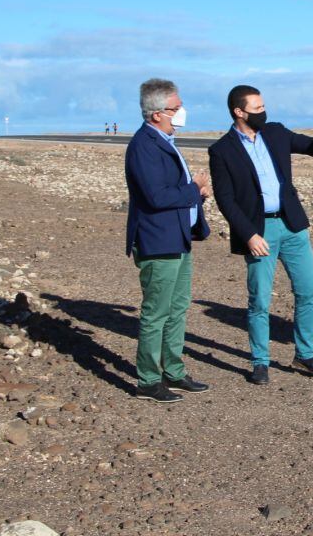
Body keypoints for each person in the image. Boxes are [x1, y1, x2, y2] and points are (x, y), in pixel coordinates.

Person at [208, 85, 313, 385]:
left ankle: (305, 354)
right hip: (259, 233)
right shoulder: (221, 151)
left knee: (307, 291)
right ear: (239, 112)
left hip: (292, 226)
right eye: (257, 108)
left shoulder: (275, 132)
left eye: (263, 107)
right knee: (260, 300)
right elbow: (225, 199)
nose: (264, 112)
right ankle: (260, 362)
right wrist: (248, 234)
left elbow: (311, 147)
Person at [124, 78, 212, 403]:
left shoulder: (164, 139)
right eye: (176, 108)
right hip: (158, 242)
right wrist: (195, 187)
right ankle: (148, 379)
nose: (181, 113)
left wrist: (197, 196)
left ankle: (173, 371)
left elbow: (172, 192)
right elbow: (156, 196)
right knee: (156, 312)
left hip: (178, 238)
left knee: (177, 308)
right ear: (157, 112)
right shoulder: (143, 145)